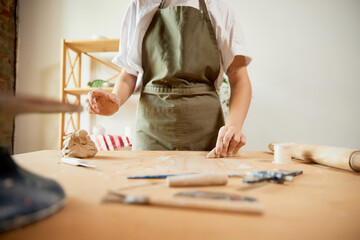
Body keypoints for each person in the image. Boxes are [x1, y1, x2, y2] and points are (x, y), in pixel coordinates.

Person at [86, 0, 252, 157]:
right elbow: (129, 74)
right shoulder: (141, 5)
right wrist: (114, 99)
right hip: (152, 130)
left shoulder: (218, 8)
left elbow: (239, 80)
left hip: (206, 131)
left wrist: (233, 126)